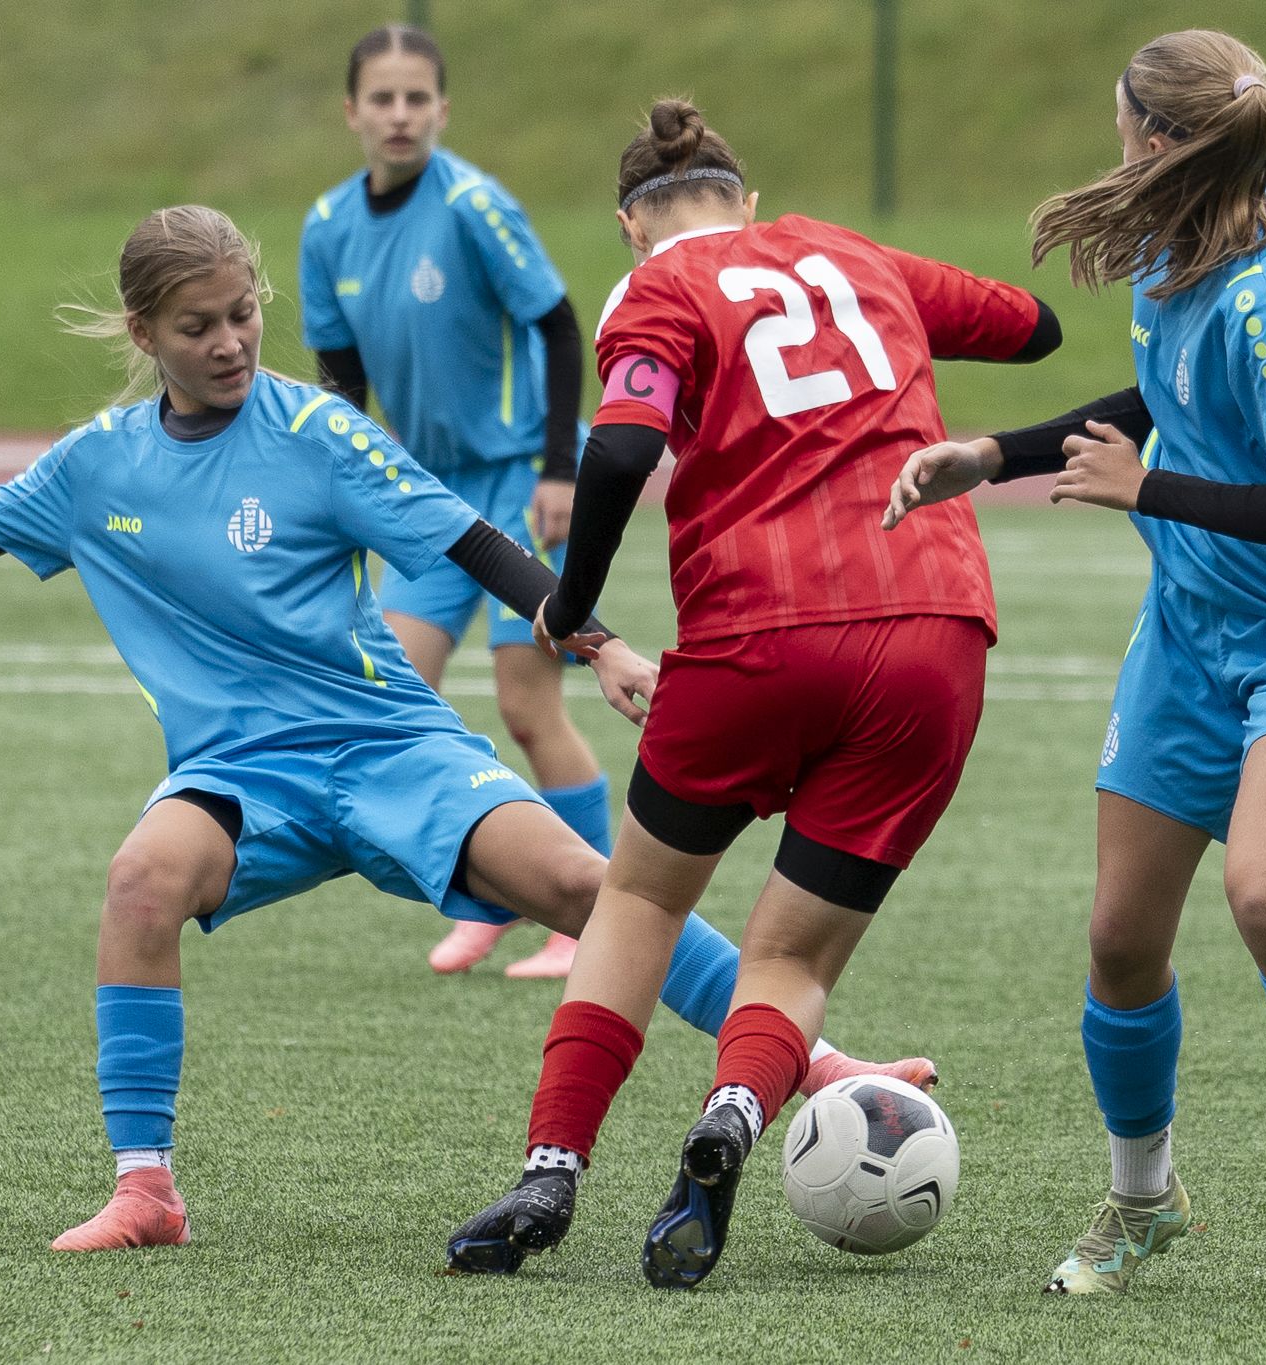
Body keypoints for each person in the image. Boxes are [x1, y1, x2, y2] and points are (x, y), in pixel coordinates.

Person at [0, 205, 935, 1255]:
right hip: (240, 777)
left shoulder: (315, 432)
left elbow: (467, 539)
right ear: (143, 334)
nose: (229, 342)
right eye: (197, 326)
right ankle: (145, 1189)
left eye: (242, 314)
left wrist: (593, 639)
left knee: (588, 889)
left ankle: (815, 1062)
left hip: (389, 748)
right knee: (140, 879)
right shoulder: (95, 466)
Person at [446, 100, 1061, 1288]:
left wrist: (572, 602)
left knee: (637, 897)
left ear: (631, 224)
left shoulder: (655, 289)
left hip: (756, 632)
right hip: (932, 628)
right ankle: (732, 1109)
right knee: (792, 958)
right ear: (749, 200)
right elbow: (1033, 329)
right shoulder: (850, 253)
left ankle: (551, 1169)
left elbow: (619, 447)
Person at [886, 30, 1266, 1310]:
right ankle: (1143, 1201)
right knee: (1120, 939)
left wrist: (1147, 493)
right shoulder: (1181, 240)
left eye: (1120, 121)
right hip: (1188, 629)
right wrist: (993, 455)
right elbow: (1163, 395)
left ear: (1159, 137)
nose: (1113, 143)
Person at [301, 24, 600, 979]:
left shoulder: (474, 205)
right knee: (401, 702)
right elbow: (341, 386)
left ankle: (590, 915)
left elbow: (559, 326)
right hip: (424, 497)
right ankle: (498, 892)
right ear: (351, 112)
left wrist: (560, 469)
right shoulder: (326, 227)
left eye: (417, 98)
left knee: (526, 703)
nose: (400, 115)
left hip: (519, 477)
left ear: (442, 109)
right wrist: (343, 499)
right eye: (381, 99)